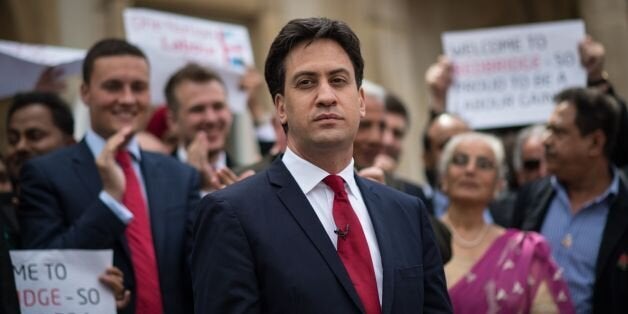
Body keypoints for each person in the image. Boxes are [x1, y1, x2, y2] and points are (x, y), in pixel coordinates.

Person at [191, 17, 452, 313]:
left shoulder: (407, 211)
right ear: (281, 108)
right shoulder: (232, 213)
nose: (326, 96)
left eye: (338, 80)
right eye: (306, 83)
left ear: (361, 100)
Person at [17, 39, 200, 314]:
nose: (127, 99)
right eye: (113, 86)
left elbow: (199, 269)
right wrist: (110, 202)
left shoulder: (180, 176)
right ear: (85, 93)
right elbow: (41, 274)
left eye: (138, 87)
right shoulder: (44, 174)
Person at [514, 87, 628, 313]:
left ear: (595, 143)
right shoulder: (531, 196)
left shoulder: (623, 206)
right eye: (548, 129)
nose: (546, 141)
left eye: (559, 132)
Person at [438, 132, 574, 313]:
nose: (470, 170)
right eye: (460, 160)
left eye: (484, 164)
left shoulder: (522, 251)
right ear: (443, 178)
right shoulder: (415, 238)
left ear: (499, 185)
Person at [164, 63, 254, 191]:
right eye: (198, 109)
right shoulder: (155, 182)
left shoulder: (249, 181)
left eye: (218, 106)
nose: (211, 119)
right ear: (173, 121)